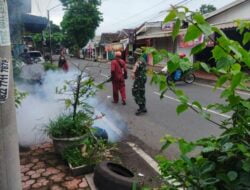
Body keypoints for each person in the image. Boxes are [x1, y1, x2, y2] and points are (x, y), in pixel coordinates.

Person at [132, 48, 147, 116]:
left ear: (137, 54)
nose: (134, 54)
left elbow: (136, 65)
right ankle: (143, 107)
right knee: (142, 91)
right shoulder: (143, 59)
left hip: (139, 78)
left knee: (136, 92)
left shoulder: (139, 60)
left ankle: (141, 107)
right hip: (143, 77)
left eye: (135, 53)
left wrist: (133, 72)